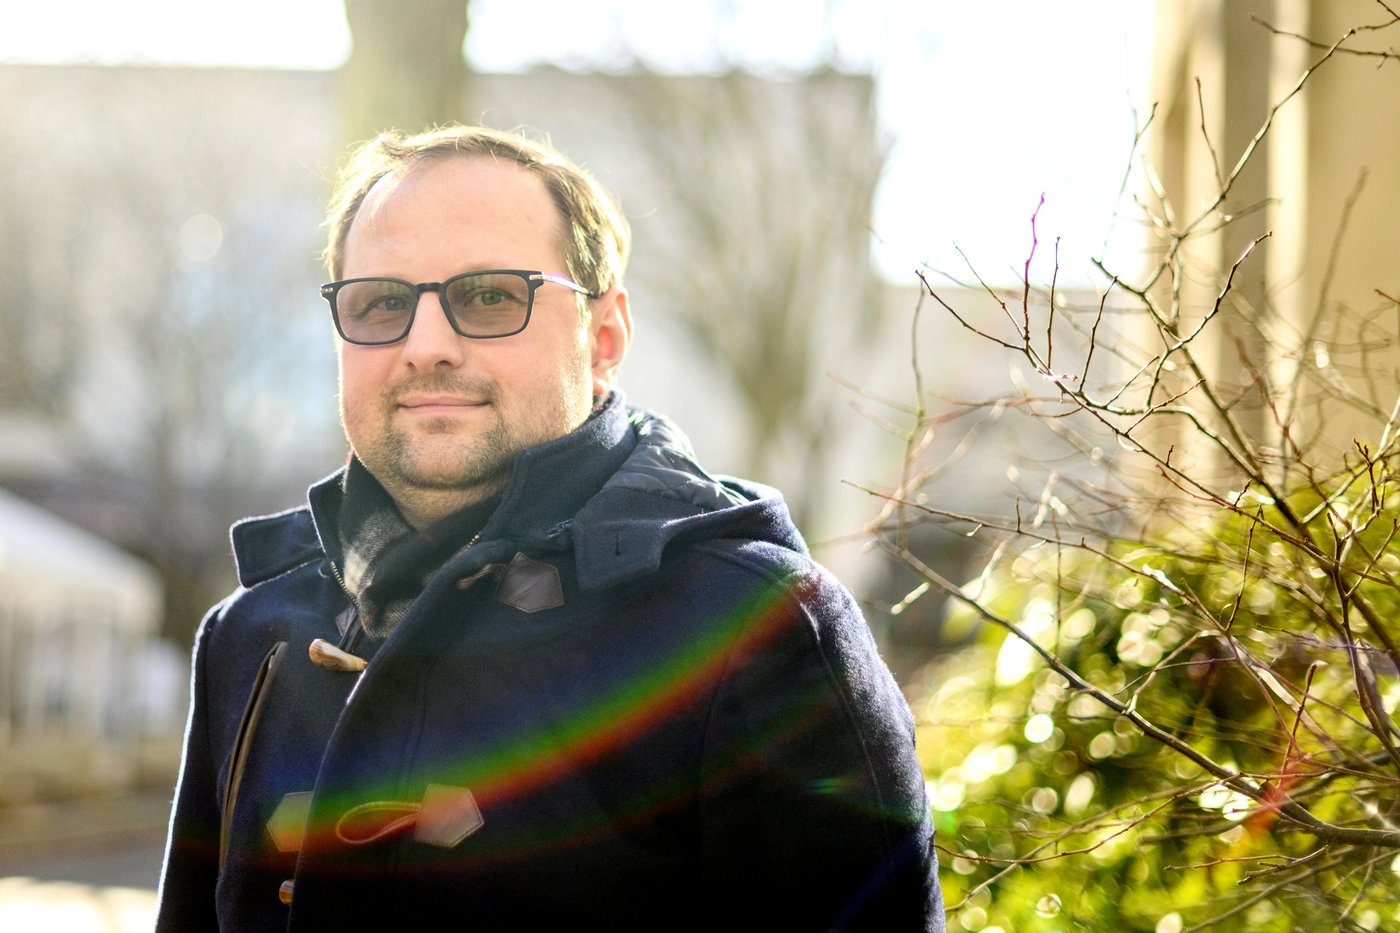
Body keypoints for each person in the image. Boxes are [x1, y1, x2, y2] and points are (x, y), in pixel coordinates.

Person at [155, 125, 944, 931]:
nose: (426, 346)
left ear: (603, 340)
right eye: (382, 303)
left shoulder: (760, 632)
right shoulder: (250, 638)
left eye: (490, 295)